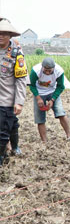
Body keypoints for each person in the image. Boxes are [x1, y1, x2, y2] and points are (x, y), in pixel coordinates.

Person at [0, 19, 27, 168]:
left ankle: (2, 158)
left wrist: (19, 101)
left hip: (6, 99)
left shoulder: (16, 53)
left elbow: (21, 79)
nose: (1, 36)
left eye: (4, 33)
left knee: (3, 132)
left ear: (10, 35)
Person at [29, 57, 70, 143]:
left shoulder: (59, 71)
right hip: (39, 92)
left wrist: (53, 100)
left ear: (54, 68)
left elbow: (60, 86)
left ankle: (69, 136)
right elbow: (31, 85)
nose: (48, 72)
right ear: (42, 67)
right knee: (40, 118)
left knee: (60, 112)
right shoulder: (35, 70)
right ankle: (44, 141)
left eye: (50, 70)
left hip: (53, 91)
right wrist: (38, 98)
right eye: (46, 70)